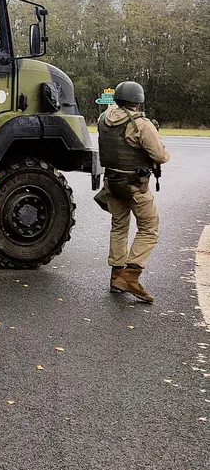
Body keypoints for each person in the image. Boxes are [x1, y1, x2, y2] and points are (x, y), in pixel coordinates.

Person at [97, 81, 169, 303]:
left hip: (112, 182)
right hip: (135, 185)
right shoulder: (142, 125)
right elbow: (160, 156)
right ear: (138, 100)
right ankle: (131, 276)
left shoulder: (103, 120)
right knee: (149, 228)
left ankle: (117, 276)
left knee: (119, 227)